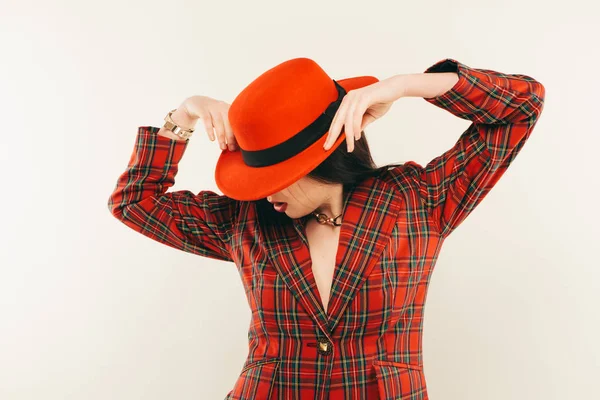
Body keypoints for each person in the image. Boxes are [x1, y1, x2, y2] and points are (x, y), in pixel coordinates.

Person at [107, 57, 545, 399]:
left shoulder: (418, 201)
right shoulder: (242, 222)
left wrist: (405, 85)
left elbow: (522, 107)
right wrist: (184, 115)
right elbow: (133, 202)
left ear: (319, 158)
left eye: (275, 178)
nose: (263, 193)